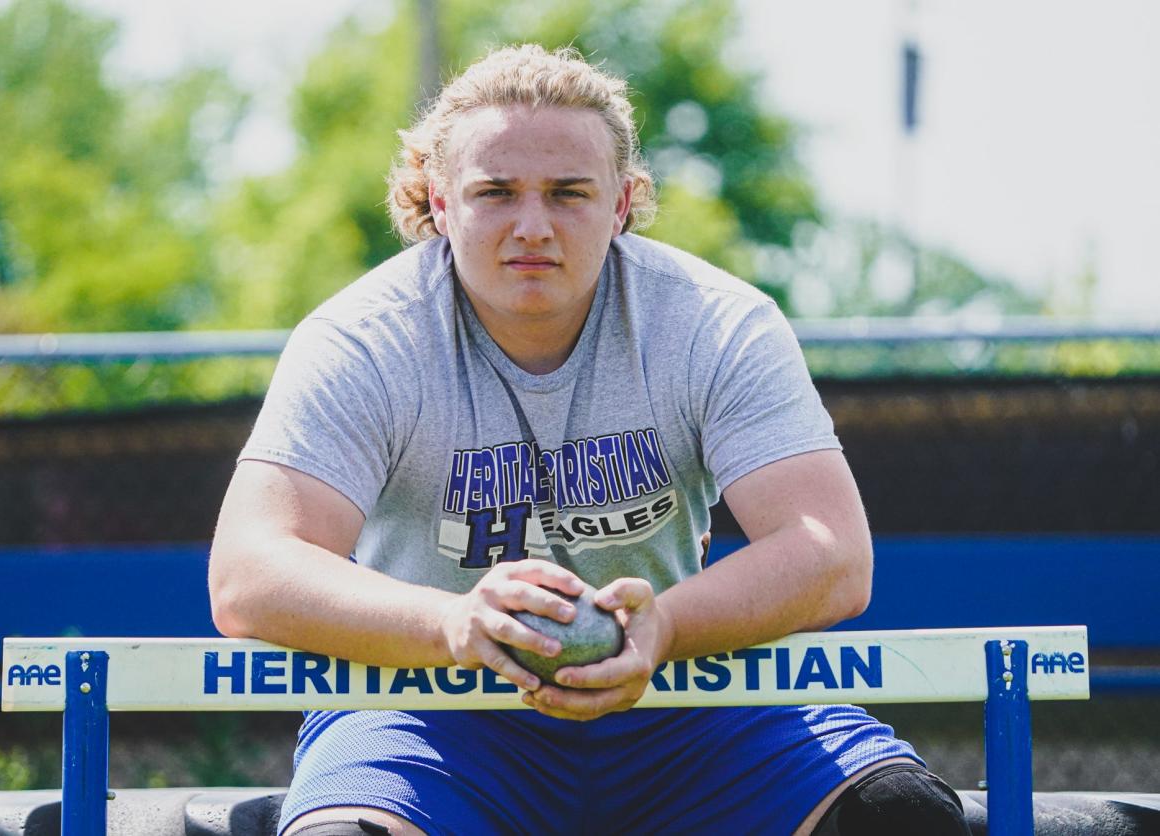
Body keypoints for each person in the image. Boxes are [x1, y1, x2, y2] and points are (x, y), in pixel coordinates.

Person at [208, 44, 970, 836]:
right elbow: (247, 573)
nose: (531, 226)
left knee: (897, 818)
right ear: (439, 201)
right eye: (495, 192)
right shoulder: (363, 340)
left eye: (568, 193)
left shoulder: (714, 322)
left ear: (622, 202)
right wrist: (453, 624)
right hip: (428, 709)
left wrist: (666, 626)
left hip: (686, 698)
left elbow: (834, 554)